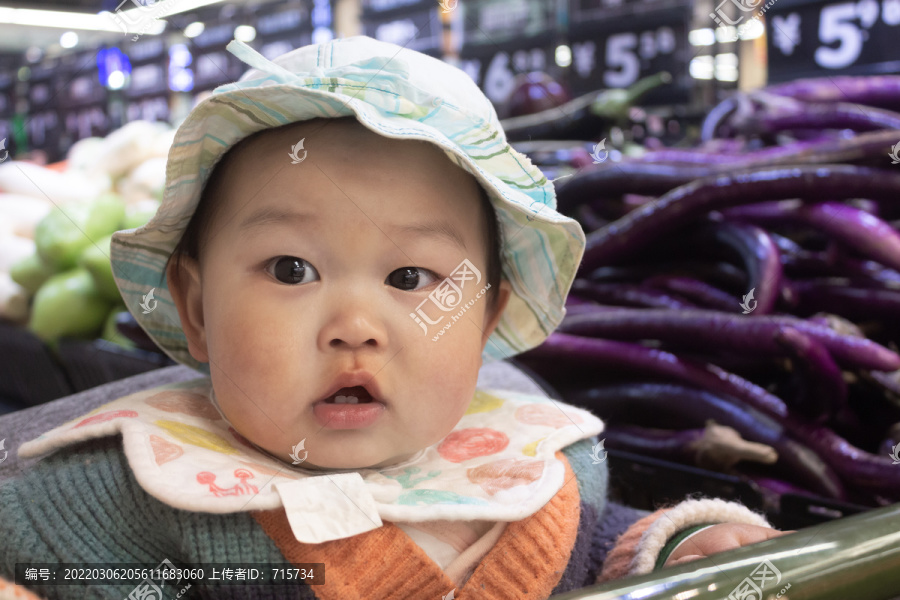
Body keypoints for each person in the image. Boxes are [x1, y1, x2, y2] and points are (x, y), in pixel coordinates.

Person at [0, 36, 788, 600]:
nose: (354, 325)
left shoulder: (536, 471)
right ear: (196, 310)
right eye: (291, 269)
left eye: (412, 277)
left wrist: (677, 546)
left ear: (486, 319)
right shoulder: (126, 494)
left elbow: (592, 547)